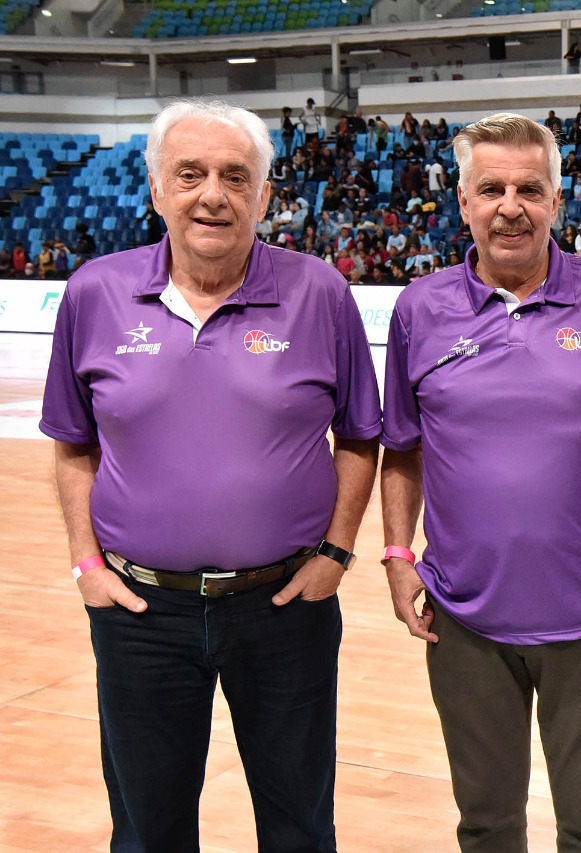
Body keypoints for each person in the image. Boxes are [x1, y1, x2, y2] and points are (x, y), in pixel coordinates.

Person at [39, 100, 382, 851]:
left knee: (298, 826)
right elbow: (72, 444)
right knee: (147, 829)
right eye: (189, 174)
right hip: (138, 611)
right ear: (157, 187)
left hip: (285, 605)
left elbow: (360, 435)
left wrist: (335, 553)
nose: (212, 195)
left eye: (236, 176)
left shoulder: (321, 291)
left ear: (264, 195)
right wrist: (86, 564)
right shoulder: (94, 292)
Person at [379, 113, 581, 853]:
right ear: (465, 202)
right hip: (465, 618)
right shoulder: (419, 309)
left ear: (557, 202)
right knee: (486, 826)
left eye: (530, 189)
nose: (512, 206)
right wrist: (394, 552)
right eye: (493, 189)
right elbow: (404, 449)